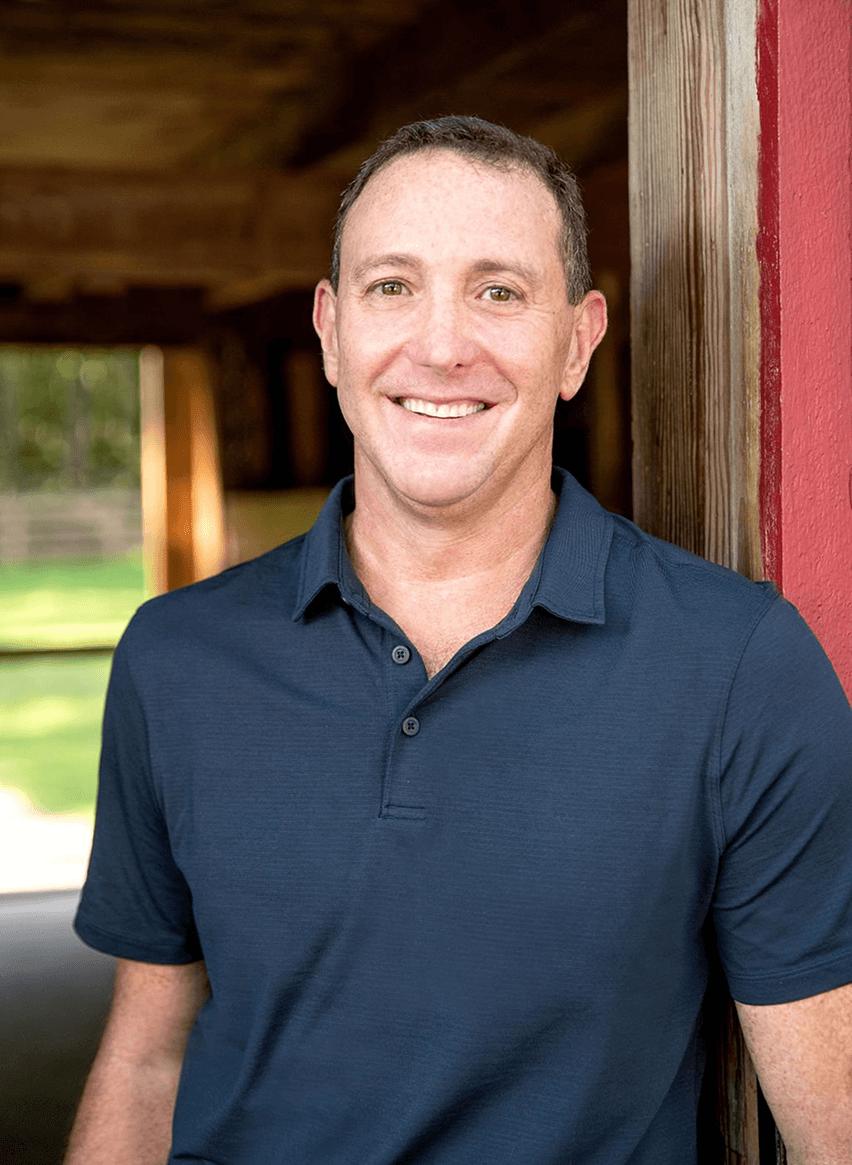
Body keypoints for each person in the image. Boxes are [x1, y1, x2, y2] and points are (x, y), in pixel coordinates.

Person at [66, 116, 852, 1165]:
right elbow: (146, 1058)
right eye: (393, 285)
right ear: (332, 331)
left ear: (577, 342)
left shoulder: (739, 665)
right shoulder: (176, 658)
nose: (441, 346)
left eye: (499, 291)